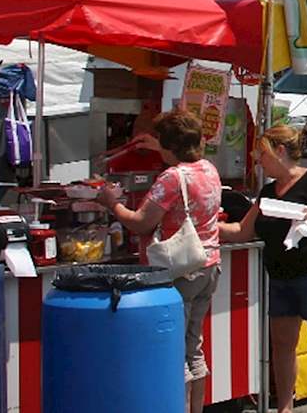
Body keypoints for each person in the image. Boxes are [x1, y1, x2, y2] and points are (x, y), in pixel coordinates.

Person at [218, 126, 307, 413]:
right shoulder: (268, 192)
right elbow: (243, 231)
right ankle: (285, 408)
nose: (258, 161)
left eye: (262, 155)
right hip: (280, 275)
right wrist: (207, 227)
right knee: (281, 344)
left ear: (280, 152)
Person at [97, 109, 223, 413]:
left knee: (173, 353)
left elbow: (140, 222)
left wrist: (111, 202)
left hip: (180, 270)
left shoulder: (172, 177)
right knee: (194, 348)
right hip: (208, 264)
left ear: (168, 146)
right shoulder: (209, 169)